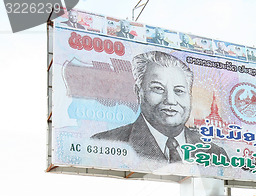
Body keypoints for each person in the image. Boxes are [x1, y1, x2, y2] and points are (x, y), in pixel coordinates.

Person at [92, 51, 227, 163]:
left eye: (179, 91)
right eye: (158, 88)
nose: (170, 100)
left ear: (190, 96)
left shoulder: (214, 153)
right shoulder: (106, 143)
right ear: (139, 92)